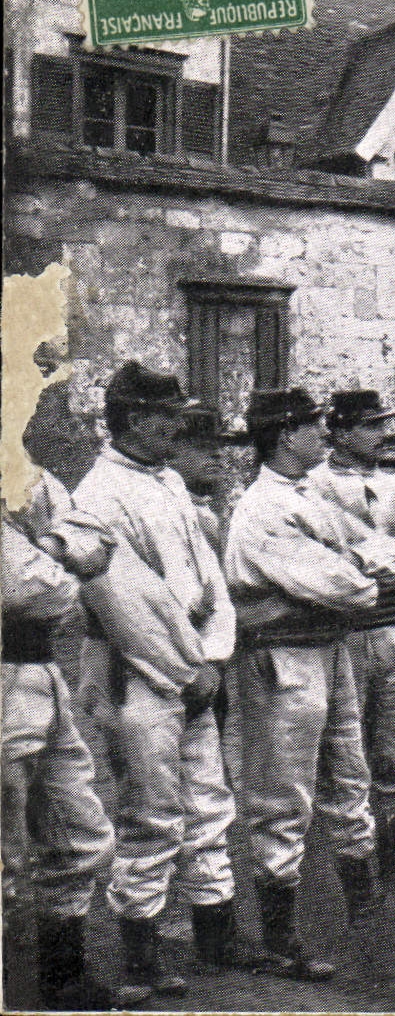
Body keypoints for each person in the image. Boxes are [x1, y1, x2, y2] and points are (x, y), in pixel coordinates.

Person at [73, 363, 239, 996]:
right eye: (168, 415)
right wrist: (186, 669)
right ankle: (141, 954)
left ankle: (217, 939)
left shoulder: (168, 479)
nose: (177, 426)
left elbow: (208, 579)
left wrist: (213, 655)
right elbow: (125, 607)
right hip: (137, 673)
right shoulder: (98, 495)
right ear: (136, 419)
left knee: (209, 803)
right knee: (151, 814)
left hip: (194, 664)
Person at [223, 389, 386, 980]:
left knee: (349, 771)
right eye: (314, 426)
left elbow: (373, 549)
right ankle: (279, 936)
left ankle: (365, 905)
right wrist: (363, 574)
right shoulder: (262, 507)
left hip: (327, 646)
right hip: (281, 656)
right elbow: (347, 584)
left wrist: (362, 567)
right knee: (282, 794)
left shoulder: (308, 493)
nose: (325, 434)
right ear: (285, 435)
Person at [3, 495, 135, 1009]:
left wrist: (48, 546)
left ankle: (62, 980)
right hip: (6, 670)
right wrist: (58, 549)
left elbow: (96, 536)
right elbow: (29, 591)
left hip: (40, 672)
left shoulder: (27, 479)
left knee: (80, 834)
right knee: (6, 853)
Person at [304, 390, 395, 888]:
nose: (382, 434)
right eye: (369, 425)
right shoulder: (312, 485)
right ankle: (344, 875)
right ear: (338, 432)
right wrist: (380, 558)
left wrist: (381, 560)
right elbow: (322, 561)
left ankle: (393, 870)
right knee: (341, 757)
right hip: (341, 633)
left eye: (383, 424)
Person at [167, 405, 230, 552]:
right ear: (170, 454)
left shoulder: (206, 509)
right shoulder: (166, 511)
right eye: (203, 446)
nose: (218, 453)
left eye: (221, 445)